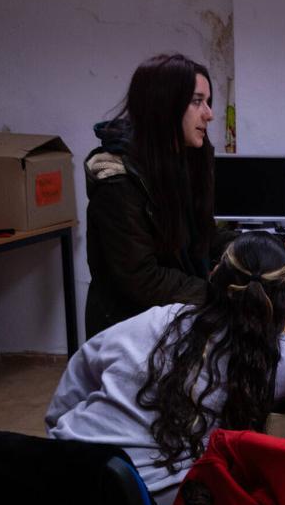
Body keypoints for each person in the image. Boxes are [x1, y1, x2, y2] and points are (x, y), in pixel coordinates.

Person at [47, 232, 285, 505]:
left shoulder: (163, 317)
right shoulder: (275, 359)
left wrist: (58, 426)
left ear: (216, 273)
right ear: (282, 294)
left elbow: (82, 366)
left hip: (61, 468)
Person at [83, 53, 235, 338]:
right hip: (130, 333)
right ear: (165, 106)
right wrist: (218, 293)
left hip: (173, 319)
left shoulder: (183, 163)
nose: (209, 113)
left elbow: (203, 238)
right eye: (197, 101)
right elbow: (142, 278)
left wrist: (257, 250)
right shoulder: (117, 181)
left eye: (208, 102)